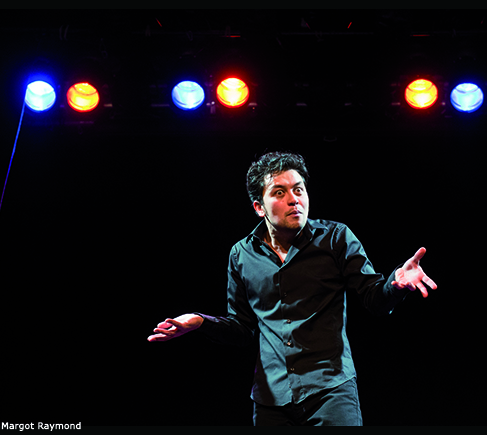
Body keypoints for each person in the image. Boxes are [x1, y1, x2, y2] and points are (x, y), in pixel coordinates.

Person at [147, 151, 437, 426]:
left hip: (331, 391)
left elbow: (375, 299)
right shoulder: (241, 255)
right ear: (259, 207)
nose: (293, 199)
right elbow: (242, 329)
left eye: (299, 190)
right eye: (279, 193)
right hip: (271, 400)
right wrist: (200, 321)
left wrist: (396, 283)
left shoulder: (336, 238)